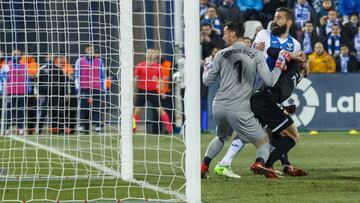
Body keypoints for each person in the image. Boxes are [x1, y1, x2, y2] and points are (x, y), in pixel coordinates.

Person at [200, 21, 286, 179]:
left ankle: (204, 166)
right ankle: (259, 163)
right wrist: (279, 66)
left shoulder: (220, 54)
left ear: (233, 34)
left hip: (218, 106)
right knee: (263, 142)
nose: (223, 35)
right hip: (239, 108)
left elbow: (206, 81)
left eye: (225, 32)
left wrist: (207, 67)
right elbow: (270, 81)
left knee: (221, 137)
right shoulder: (256, 55)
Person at [214, 48, 308, 179]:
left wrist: (284, 107)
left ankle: (272, 164)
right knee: (293, 136)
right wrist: (292, 55)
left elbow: (278, 91)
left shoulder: (297, 78)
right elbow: (271, 51)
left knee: (269, 135)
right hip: (264, 99)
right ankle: (267, 165)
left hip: (262, 101)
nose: (307, 62)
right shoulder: (293, 65)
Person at [250, 7, 306, 175]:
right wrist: (289, 55)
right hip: (259, 88)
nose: (275, 21)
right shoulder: (265, 36)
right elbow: (265, 52)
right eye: (275, 17)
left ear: (289, 22)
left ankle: (283, 164)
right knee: (289, 135)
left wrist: (283, 108)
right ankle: (264, 164)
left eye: (279, 18)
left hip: (269, 97)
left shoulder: (295, 46)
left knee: (275, 131)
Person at [133, 49, 172, 134]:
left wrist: (162, 92)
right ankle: (133, 129)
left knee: (160, 109)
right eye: (148, 53)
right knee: (136, 111)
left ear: (155, 56)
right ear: (146, 55)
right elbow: (136, 79)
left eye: (152, 53)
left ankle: (170, 130)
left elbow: (161, 80)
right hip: (142, 91)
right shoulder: (140, 65)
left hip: (153, 91)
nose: (150, 55)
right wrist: (133, 91)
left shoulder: (158, 67)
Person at [75, 44, 108, 134]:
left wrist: (103, 89)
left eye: (92, 49)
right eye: (89, 49)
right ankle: (83, 127)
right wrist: (78, 88)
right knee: (83, 108)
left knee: (96, 108)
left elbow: (103, 75)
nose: (91, 51)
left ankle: (98, 127)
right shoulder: (80, 61)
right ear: (86, 50)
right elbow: (77, 75)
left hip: (96, 88)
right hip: (84, 88)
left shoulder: (100, 61)